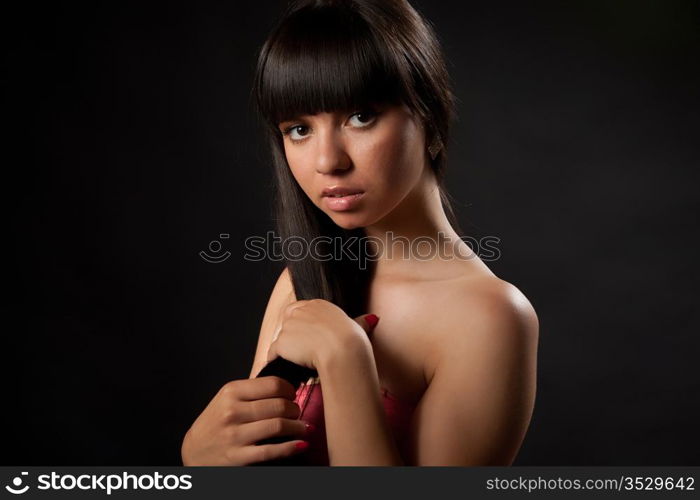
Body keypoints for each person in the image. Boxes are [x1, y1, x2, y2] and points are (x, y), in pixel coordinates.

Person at [181, 0, 539, 466]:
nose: (328, 161)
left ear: (428, 116)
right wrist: (198, 462)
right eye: (299, 129)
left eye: (361, 116)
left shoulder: (490, 316)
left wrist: (346, 363)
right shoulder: (301, 280)